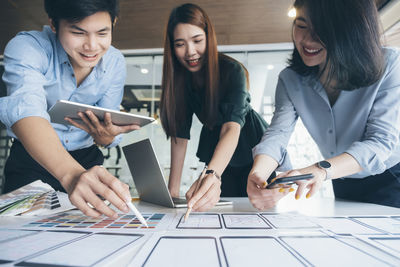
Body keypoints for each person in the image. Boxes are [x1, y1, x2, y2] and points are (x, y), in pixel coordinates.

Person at [248, 0, 400, 209]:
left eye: (323, 29)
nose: (308, 39)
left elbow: (380, 142)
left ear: (351, 30)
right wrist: (259, 174)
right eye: (301, 25)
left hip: (391, 178)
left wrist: (318, 170)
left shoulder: (390, 64)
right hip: (340, 177)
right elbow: (277, 134)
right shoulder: (290, 79)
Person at [0, 0, 140, 218]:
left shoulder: (115, 62)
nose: (92, 46)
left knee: (87, 237)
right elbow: (25, 109)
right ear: (54, 25)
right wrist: (72, 175)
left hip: (87, 162)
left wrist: (105, 137)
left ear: (113, 23)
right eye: (78, 32)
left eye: (102, 33)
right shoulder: (27, 47)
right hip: (31, 161)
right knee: (20, 237)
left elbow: (106, 130)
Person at [160, 3, 271, 212]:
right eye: (180, 44)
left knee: (258, 213)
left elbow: (231, 128)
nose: (190, 52)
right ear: (172, 47)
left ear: (209, 38)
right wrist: (171, 192)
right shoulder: (179, 81)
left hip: (251, 145)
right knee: (222, 212)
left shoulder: (232, 70)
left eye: (197, 40)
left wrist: (212, 174)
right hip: (218, 150)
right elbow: (179, 137)